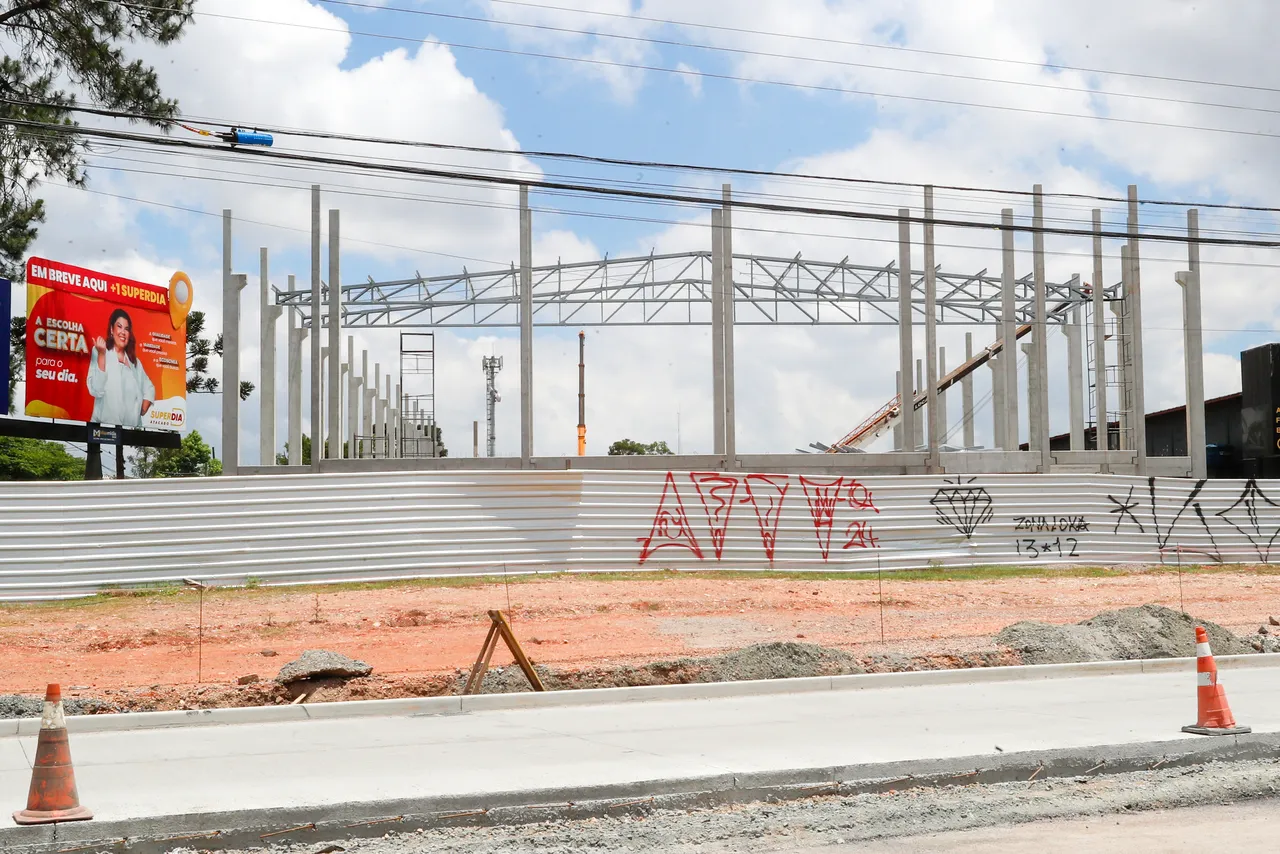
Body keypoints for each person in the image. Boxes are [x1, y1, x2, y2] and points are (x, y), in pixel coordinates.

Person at [87, 308, 154, 428]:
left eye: (127, 329)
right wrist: (102, 354)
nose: (123, 332)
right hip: (102, 428)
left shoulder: (135, 362)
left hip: (131, 431)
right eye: (119, 326)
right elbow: (96, 389)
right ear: (112, 330)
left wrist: (144, 406)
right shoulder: (100, 351)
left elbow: (149, 387)